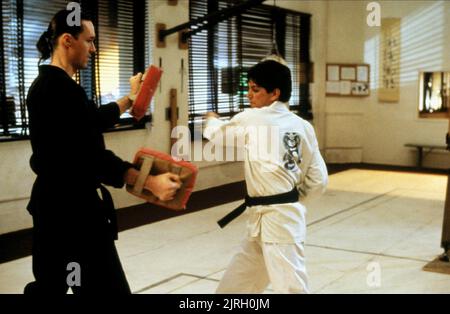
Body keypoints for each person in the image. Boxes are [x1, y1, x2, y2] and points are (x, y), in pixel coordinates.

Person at [25, 9, 181, 294]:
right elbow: (88, 157)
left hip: (54, 209)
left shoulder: (51, 86)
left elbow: (89, 121)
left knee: (52, 287)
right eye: (90, 40)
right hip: (75, 216)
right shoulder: (59, 90)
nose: (94, 49)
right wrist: (147, 180)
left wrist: (129, 99)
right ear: (68, 40)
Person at [203, 60, 328, 294]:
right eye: (248, 88)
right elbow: (318, 180)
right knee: (233, 290)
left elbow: (217, 134)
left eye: (256, 89)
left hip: (280, 227)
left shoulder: (252, 118)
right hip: (265, 223)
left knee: (291, 290)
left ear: (275, 93)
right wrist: (291, 201)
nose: (249, 95)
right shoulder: (303, 126)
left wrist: (210, 118)